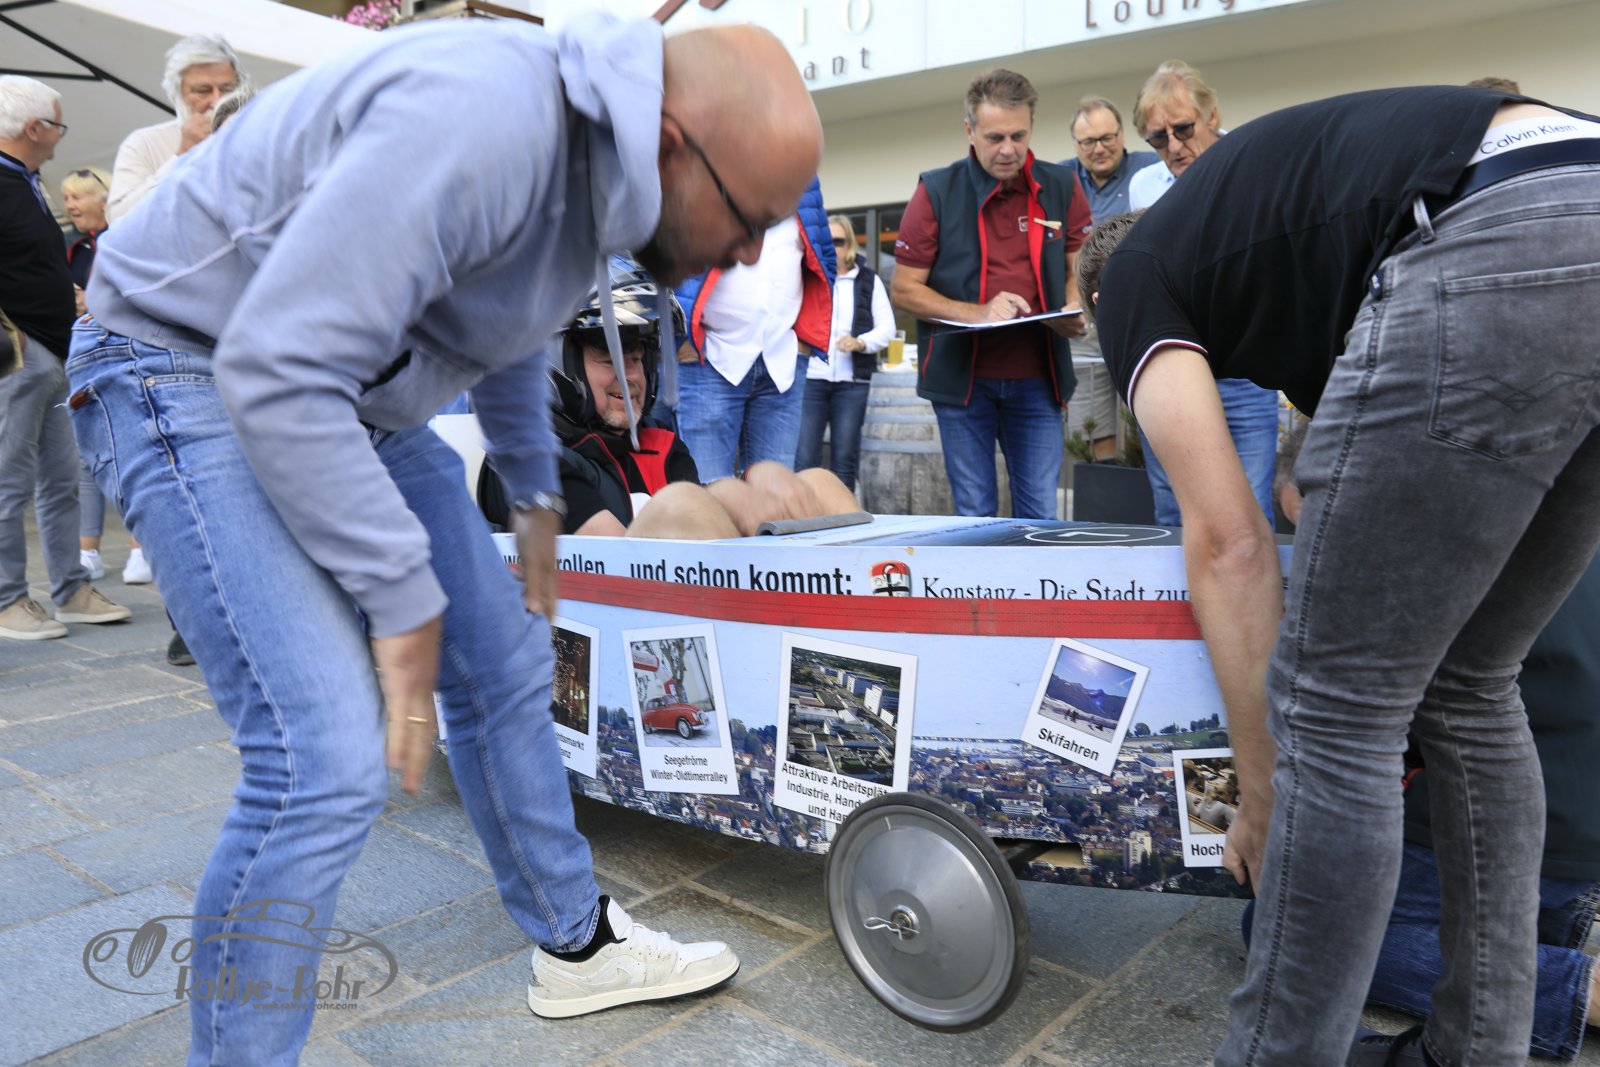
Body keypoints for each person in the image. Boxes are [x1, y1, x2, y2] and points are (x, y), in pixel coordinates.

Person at [72, 14, 822, 1064]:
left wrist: (533, 496)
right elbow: (276, 367)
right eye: (750, 220)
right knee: (321, 757)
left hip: (352, 391)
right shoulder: (484, 117)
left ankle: (575, 945)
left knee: (507, 657)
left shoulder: (591, 170)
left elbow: (502, 333)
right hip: (183, 358)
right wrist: (399, 591)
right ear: (670, 143)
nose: (746, 254)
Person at [1078, 85, 1600, 1065]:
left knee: (1337, 707)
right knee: (1472, 682)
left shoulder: (1134, 274)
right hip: (1577, 179)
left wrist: (1259, 789)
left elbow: (1229, 541)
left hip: (1492, 229)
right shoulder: (1287, 255)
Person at [481, 258, 860, 539]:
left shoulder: (661, 445)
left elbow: (708, 526)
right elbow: (616, 569)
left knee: (819, 482)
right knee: (685, 502)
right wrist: (719, 495)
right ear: (553, 359)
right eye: (609, 359)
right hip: (580, 620)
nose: (630, 376)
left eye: (637, 359)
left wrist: (752, 486)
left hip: (684, 605)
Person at [890, 69, 1088, 519]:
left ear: (1031, 126)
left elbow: (1079, 267)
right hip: (964, 384)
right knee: (975, 515)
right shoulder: (936, 190)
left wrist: (1074, 304)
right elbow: (903, 290)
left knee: (1040, 516)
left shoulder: (1061, 185)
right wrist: (978, 312)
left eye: (1019, 136)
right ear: (969, 130)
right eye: (995, 137)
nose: (1008, 149)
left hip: (1040, 380)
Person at [0, 76, 129, 642]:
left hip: (51, 351)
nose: (60, 135)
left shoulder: (24, 182)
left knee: (61, 479)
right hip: (20, 355)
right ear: (35, 129)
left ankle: (71, 590)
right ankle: (7, 600)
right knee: (9, 481)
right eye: (57, 124)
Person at [1123, 61, 1279, 530]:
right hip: (1173, 367)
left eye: (1183, 129)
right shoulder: (1144, 185)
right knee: (1174, 513)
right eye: (1157, 138)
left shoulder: (1252, 163)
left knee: (1252, 510)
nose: (1173, 147)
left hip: (1246, 367)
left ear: (1211, 116)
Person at [672, 175, 835, 480]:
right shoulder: (699, 166)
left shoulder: (803, 180)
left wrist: (803, 344)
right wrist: (681, 338)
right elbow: (663, 250)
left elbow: (824, 256)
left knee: (775, 495)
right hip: (709, 359)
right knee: (708, 492)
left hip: (783, 361)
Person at [795, 214, 894, 491]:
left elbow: (887, 328)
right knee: (804, 459)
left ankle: (844, 514)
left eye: (837, 241)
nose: (831, 247)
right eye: (825, 241)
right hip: (811, 378)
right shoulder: (807, 277)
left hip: (852, 383)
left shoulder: (868, 280)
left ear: (849, 244)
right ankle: (805, 514)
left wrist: (860, 342)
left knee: (844, 460)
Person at [57, 165, 122, 583]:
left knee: (128, 450)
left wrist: (93, 300)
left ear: (103, 199)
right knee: (86, 456)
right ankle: (89, 551)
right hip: (80, 354)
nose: (69, 205)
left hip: (120, 353)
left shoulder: (124, 238)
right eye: (66, 198)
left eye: (77, 196)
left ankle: (142, 550)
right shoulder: (70, 246)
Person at [105, 33, 244, 224]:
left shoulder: (256, 138)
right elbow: (119, 220)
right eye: (203, 91)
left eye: (227, 90)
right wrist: (182, 156)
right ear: (175, 95)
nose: (217, 100)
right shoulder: (144, 144)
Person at [1063, 95, 1160, 223]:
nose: (1099, 150)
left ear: (1122, 136)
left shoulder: (1153, 167)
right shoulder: (1061, 178)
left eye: (1107, 138)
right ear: (1076, 145)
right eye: (1089, 142)